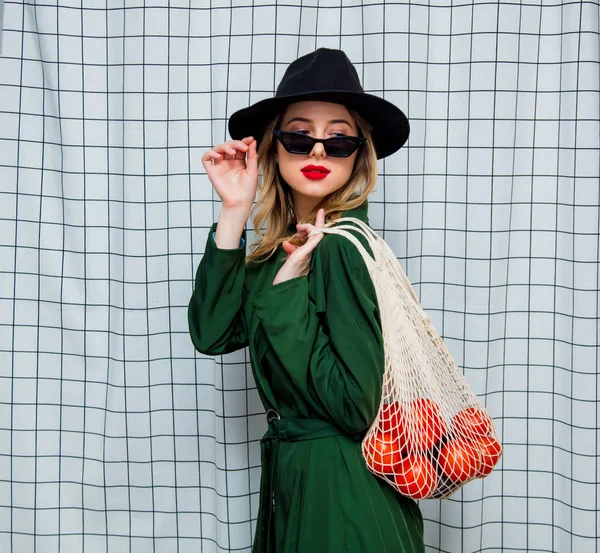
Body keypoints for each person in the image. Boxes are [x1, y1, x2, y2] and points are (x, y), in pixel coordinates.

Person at [188, 48, 425, 553]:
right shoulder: (285, 253)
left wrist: (287, 296)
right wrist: (235, 210)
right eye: (299, 136)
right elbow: (212, 334)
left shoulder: (340, 247)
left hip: (342, 496)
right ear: (273, 148)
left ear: (361, 154)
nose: (317, 151)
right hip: (296, 484)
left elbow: (355, 405)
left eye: (339, 140)